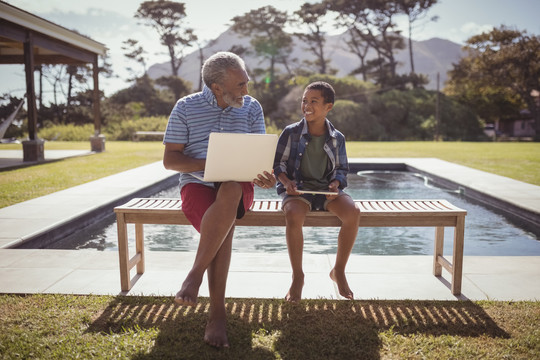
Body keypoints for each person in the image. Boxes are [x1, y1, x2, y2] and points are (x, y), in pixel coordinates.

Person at [162, 51, 275, 348]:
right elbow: (170, 160)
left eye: (247, 82)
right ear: (217, 88)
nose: (247, 91)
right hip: (197, 185)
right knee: (222, 228)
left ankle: (195, 275)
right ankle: (217, 316)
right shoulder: (186, 107)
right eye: (240, 85)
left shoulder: (251, 108)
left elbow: (259, 159)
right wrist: (210, 162)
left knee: (231, 190)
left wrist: (264, 175)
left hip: (238, 186)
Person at [273, 81, 360, 302]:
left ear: (328, 106)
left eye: (314, 101)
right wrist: (287, 183)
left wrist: (335, 185)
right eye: (304, 100)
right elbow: (278, 166)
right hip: (298, 191)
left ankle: (338, 270)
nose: (306, 105)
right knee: (293, 215)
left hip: (326, 191)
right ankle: (298, 276)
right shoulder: (290, 133)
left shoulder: (337, 137)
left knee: (353, 213)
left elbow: (341, 169)